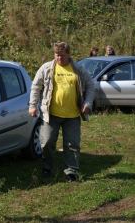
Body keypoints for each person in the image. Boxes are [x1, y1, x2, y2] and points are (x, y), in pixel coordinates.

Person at [29, 42, 95, 182]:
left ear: (69, 54)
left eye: (62, 55)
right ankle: (47, 167)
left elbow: (90, 85)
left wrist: (88, 103)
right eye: (57, 55)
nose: (59, 58)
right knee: (46, 142)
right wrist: (33, 105)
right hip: (51, 114)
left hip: (72, 116)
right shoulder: (46, 68)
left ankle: (71, 171)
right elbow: (36, 86)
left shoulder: (77, 69)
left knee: (72, 144)